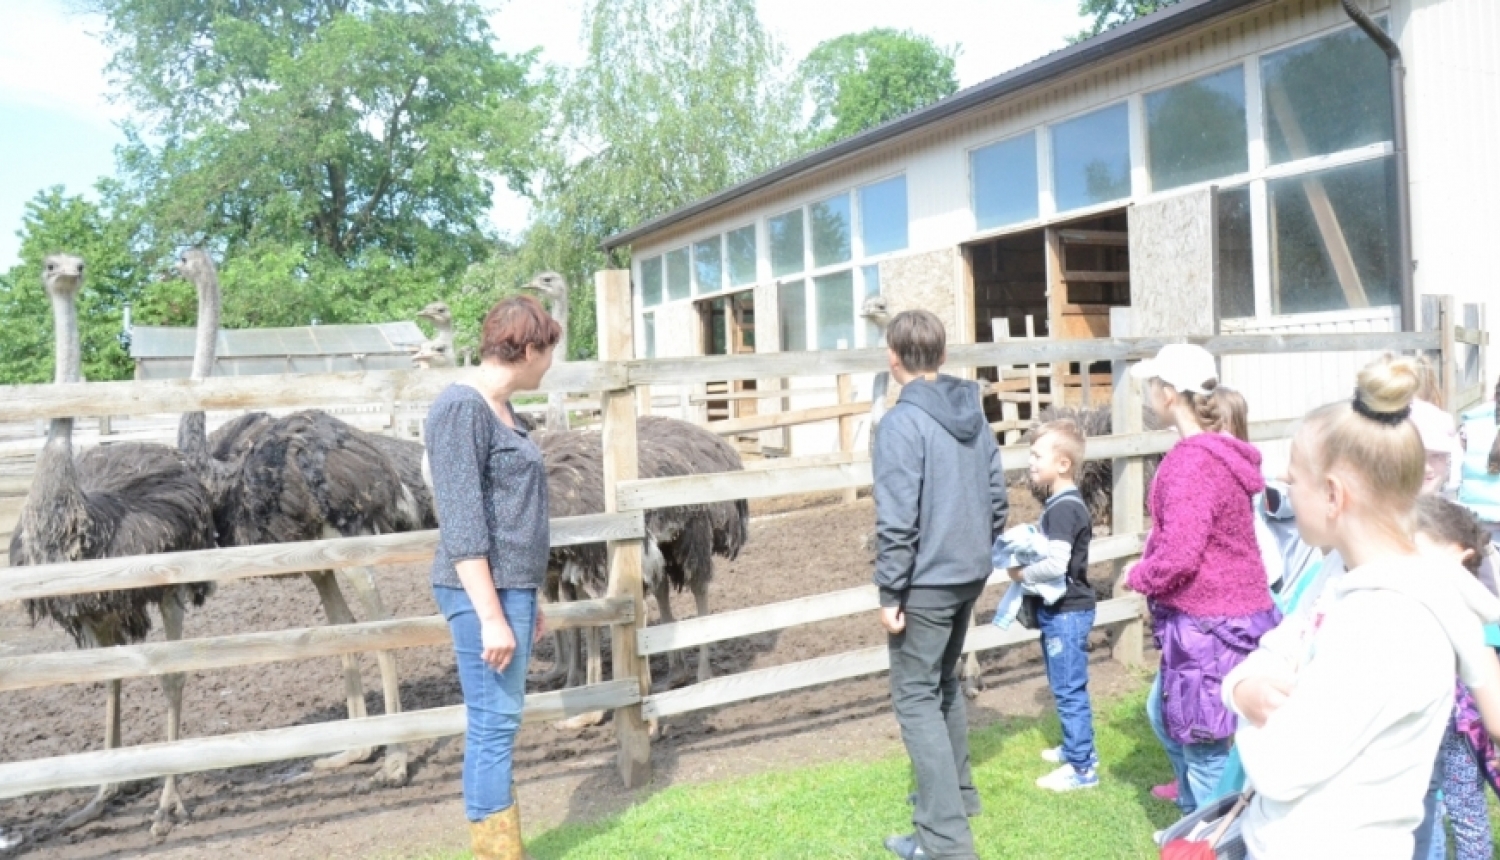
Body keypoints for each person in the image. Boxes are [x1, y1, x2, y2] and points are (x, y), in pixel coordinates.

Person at [1229, 354, 1496, 859]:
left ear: (1333, 494)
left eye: (1293, 481)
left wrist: (1244, 706)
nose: (1285, 490)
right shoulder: (1342, 574)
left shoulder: (1390, 623)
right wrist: (1243, 686)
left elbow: (1280, 768)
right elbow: (1279, 646)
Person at [425, 295, 559, 860]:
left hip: (512, 588)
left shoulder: (504, 412)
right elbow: (461, 519)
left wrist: (532, 595)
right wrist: (491, 616)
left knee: (501, 721)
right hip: (482, 592)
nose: (550, 362)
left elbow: (512, 512)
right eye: (548, 351)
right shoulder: (462, 409)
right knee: (493, 723)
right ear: (527, 349)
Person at [1124, 344, 1280, 821]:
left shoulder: (1194, 463)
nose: (1150, 393)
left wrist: (1137, 575)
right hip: (1228, 613)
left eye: (1153, 385)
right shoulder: (1215, 454)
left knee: (1205, 746)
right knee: (1164, 716)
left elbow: (1180, 555)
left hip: (1210, 625)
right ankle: (1197, 818)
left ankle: (1214, 837)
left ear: (1169, 394)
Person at [873, 309, 1007, 860]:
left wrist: (889, 591)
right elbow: (997, 497)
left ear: (892, 357)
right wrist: (975, 546)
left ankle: (945, 842)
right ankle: (958, 798)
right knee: (944, 683)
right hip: (969, 572)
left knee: (915, 697)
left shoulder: (901, 423)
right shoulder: (974, 415)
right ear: (945, 356)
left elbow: (897, 517)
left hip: (925, 583)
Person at [1004, 420, 1099, 792]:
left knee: (1068, 688)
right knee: (1065, 684)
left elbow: (1056, 565)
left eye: (1037, 456)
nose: (1030, 462)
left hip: (1067, 613)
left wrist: (1021, 574)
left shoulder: (1063, 510)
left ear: (1063, 464)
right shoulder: (1060, 504)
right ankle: (1078, 748)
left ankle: (1082, 768)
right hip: (1062, 612)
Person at [1414, 495, 1498, 860]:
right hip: (1417, 722)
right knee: (1420, 808)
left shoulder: (1474, 603)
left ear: (1458, 553)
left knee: (1466, 815)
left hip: (1460, 725)